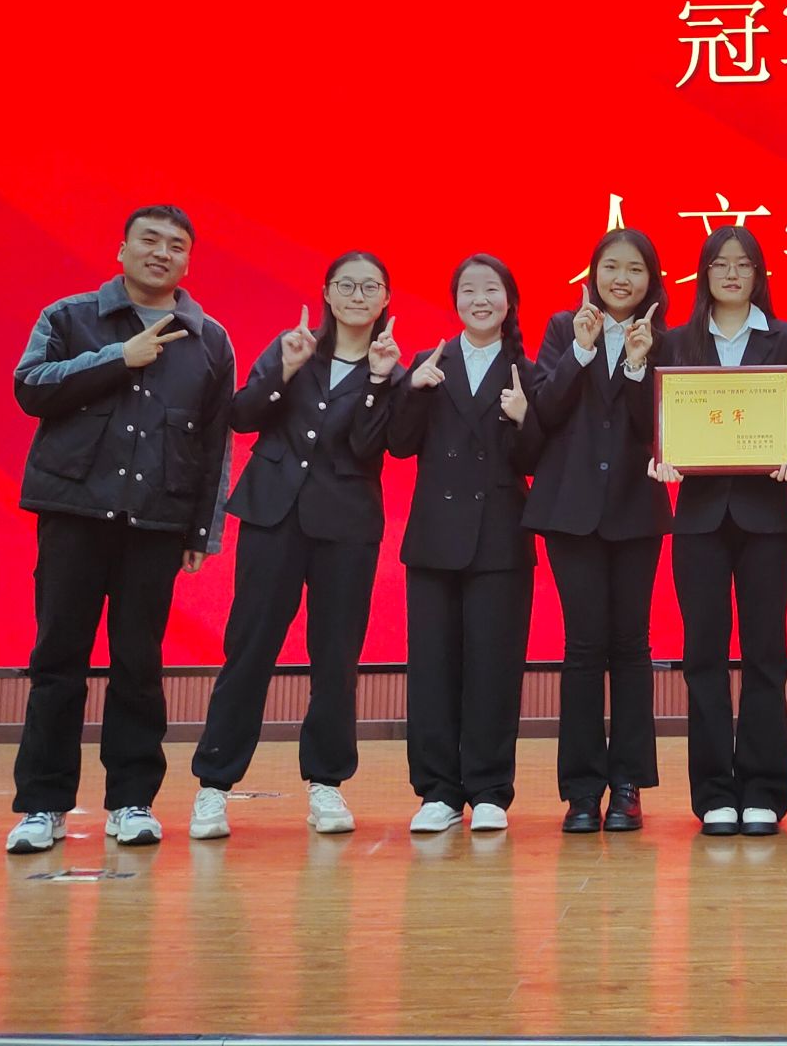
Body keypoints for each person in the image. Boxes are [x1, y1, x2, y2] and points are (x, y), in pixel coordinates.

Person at [4, 205, 235, 854]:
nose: (161, 253)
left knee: (139, 665)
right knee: (58, 661)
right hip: (74, 515)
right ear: (122, 250)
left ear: (188, 261)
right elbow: (29, 386)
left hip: (156, 522)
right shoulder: (68, 317)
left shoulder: (209, 339)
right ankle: (43, 806)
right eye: (149, 240)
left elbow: (214, 443)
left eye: (176, 245)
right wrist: (117, 358)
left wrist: (202, 530)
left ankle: (132, 801)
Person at [188, 252, 402, 840]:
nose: (357, 295)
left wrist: (378, 381)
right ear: (327, 293)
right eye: (345, 285)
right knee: (249, 647)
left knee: (336, 657)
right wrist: (282, 370)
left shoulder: (390, 368)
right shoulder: (294, 347)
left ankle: (326, 783)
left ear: (386, 299)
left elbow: (370, 445)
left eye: (370, 286)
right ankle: (213, 786)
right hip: (272, 515)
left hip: (347, 525)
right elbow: (241, 416)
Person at [650, 225, 787, 836]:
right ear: (705, 274)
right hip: (700, 520)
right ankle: (714, 790)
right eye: (721, 264)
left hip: (767, 518)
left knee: (766, 654)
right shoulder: (677, 340)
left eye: (744, 264)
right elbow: (660, 421)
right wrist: (663, 456)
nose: (732, 274)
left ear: (759, 274)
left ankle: (764, 788)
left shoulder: (784, 338)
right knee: (703, 657)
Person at [388, 253, 544, 834]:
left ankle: (490, 790)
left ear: (509, 301)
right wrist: (411, 390)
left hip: (500, 535)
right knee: (432, 665)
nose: (480, 300)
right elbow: (399, 445)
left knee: (494, 666)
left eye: (491, 289)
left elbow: (537, 460)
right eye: (469, 290)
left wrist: (525, 418)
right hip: (434, 536)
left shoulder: (528, 370)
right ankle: (438, 792)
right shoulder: (430, 363)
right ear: (455, 301)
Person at [525, 229, 668, 833]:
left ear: (650, 279)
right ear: (593, 273)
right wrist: (581, 352)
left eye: (634, 269)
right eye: (611, 267)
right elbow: (544, 411)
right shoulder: (564, 328)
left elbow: (653, 426)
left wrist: (637, 364)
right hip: (571, 511)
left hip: (636, 510)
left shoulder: (663, 338)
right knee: (583, 647)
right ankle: (581, 790)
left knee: (631, 646)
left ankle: (628, 784)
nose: (621, 279)